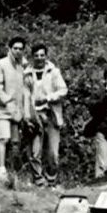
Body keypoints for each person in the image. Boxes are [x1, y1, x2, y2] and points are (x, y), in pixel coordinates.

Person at [23, 43, 68, 186]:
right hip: (34, 115)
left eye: (42, 55)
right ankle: (39, 180)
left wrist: (48, 98)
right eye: (36, 55)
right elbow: (25, 95)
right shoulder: (26, 73)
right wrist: (27, 115)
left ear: (46, 56)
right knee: (35, 150)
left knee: (53, 152)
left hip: (51, 114)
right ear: (32, 57)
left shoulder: (54, 72)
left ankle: (51, 179)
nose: (39, 58)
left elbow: (63, 90)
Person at [0, 36, 28, 183]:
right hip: (2, 109)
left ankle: (13, 172)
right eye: (15, 48)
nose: (18, 51)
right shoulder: (0, 64)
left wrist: (22, 109)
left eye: (20, 49)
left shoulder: (21, 66)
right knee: (3, 139)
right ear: (9, 48)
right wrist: (7, 101)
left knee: (15, 143)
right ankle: (1, 169)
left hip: (16, 110)